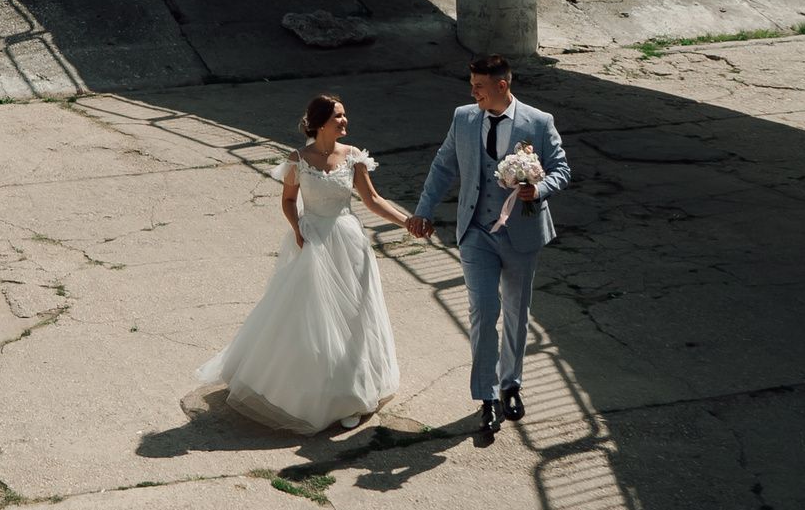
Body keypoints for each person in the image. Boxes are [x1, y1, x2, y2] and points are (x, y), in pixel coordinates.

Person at [193, 95, 410, 434]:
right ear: (320, 122)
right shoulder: (298, 159)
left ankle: (354, 394)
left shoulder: (353, 156)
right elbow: (289, 200)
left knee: (354, 316)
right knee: (315, 318)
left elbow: (373, 200)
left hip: (349, 242)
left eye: (344, 115)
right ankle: (319, 392)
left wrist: (407, 222)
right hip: (314, 242)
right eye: (338, 116)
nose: (344, 121)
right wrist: (297, 228)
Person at [407, 57, 573, 445]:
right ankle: (485, 396)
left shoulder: (538, 121)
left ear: (502, 86)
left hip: (522, 232)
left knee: (517, 311)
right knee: (483, 310)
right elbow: (443, 165)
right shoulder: (464, 118)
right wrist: (424, 208)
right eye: (471, 84)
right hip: (475, 231)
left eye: (479, 85)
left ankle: (510, 385)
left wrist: (540, 188)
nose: (472, 91)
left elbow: (561, 169)